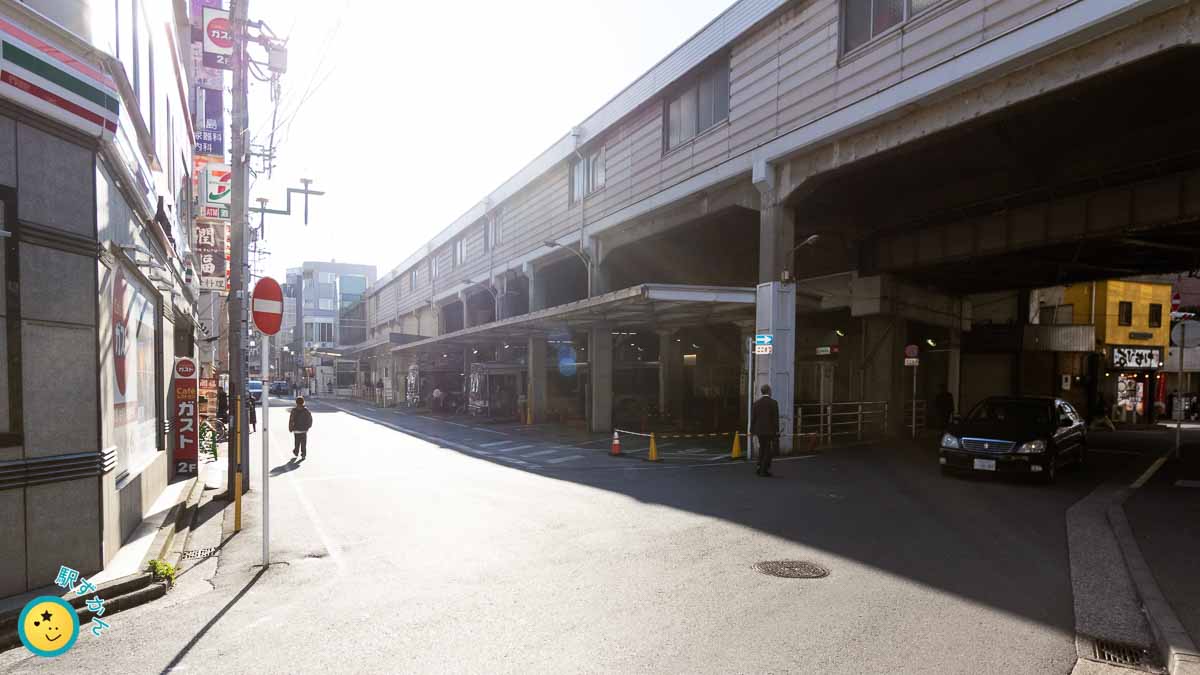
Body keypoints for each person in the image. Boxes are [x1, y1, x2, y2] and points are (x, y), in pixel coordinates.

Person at [750, 384, 780, 478]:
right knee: (767, 450)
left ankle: (759, 467)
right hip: (769, 430)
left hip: (759, 430)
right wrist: (777, 431)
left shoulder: (756, 403)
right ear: (769, 391)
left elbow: (753, 418)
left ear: (762, 392)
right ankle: (764, 470)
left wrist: (751, 429)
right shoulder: (774, 403)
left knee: (762, 448)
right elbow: (775, 419)